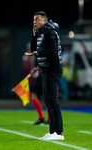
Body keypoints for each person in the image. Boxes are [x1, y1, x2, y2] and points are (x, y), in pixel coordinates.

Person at [25, 11, 64, 140]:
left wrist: (38, 53)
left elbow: (52, 52)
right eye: (33, 20)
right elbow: (33, 48)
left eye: (36, 20)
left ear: (44, 21)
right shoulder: (42, 33)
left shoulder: (50, 33)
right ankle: (52, 131)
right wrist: (35, 35)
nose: (34, 22)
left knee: (53, 101)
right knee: (48, 102)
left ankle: (59, 133)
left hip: (53, 70)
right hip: (46, 70)